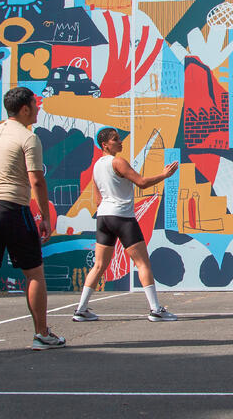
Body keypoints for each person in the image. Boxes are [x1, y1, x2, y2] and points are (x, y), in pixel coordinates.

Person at [0, 87, 65, 353]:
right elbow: (37, 180)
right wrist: (43, 216)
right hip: (10, 207)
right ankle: (41, 334)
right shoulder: (28, 138)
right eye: (35, 104)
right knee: (34, 273)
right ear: (25, 109)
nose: (39, 108)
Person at [73, 127, 179, 322]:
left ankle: (81, 309)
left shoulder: (96, 166)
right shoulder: (118, 162)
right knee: (143, 263)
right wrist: (164, 175)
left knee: (99, 265)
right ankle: (155, 310)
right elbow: (142, 183)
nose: (120, 141)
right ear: (105, 145)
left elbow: (97, 199)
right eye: (115, 139)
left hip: (104, 218)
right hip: (122, 217)